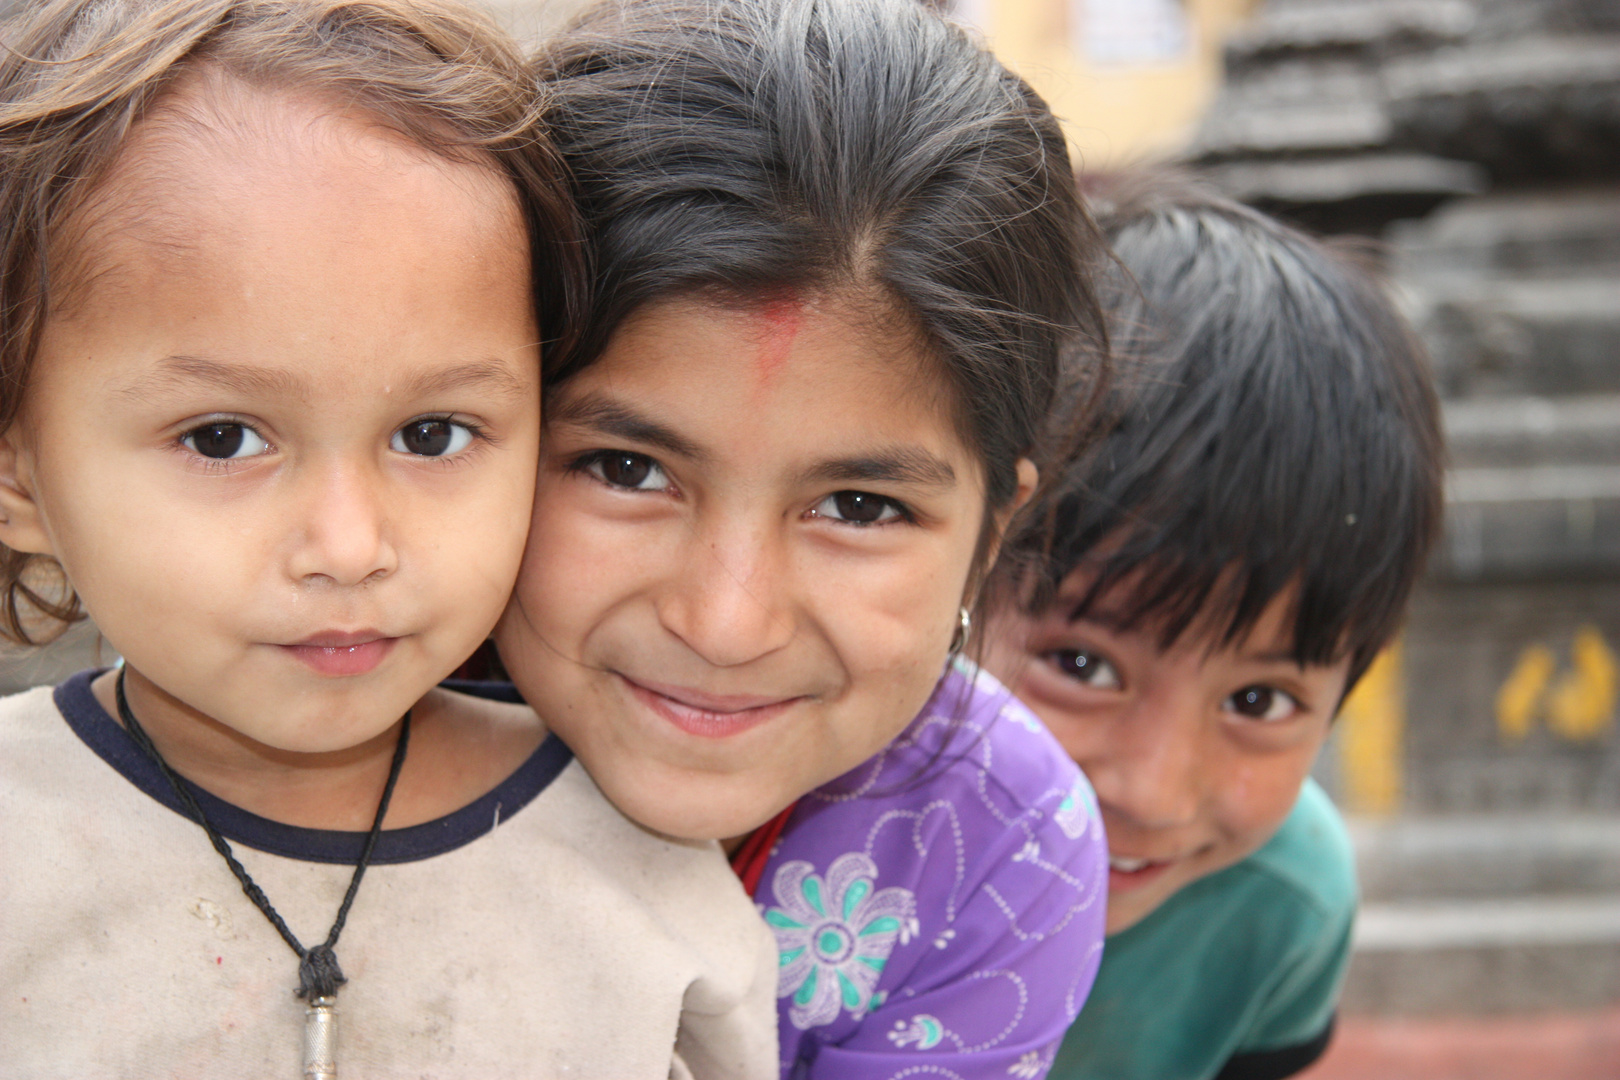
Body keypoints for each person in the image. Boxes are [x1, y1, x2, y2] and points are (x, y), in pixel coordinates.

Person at [0, 2, 775, 1076]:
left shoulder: (629, 859)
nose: (350, 545)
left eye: (432, 434)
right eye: (223, 438)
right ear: (19, 474)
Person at [492, 1, 1110, 1076]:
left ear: (991, 530)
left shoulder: (996, 845)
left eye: (861, 508)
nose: (726, 623)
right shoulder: (305, 719)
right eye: (626, 469)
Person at [983, 174, 1445, 1080]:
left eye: (1259, 698)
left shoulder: (1282, 904)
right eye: (1081, 663)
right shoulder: (803, 815)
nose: (1153, 794)